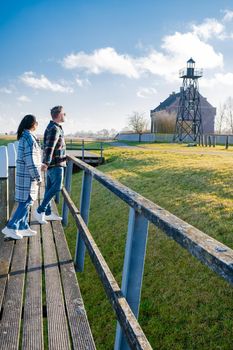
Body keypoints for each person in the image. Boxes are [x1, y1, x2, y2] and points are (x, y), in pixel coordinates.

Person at [2, 115, 42, 240]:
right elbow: (31, 161)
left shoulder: (26, 137)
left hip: (25, 175)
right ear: (33, 124)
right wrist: (38, 176)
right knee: (26, 202)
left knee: (27, 201)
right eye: (37, 123)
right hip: (28, 176)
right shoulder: (29, 138)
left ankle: (23, 227)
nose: (37, 125)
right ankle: (11, 227)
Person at [34, 105, 66, 224]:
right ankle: (40, 210)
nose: (65, 115)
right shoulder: (54, 128)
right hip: (56, 164)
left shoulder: (53, 127)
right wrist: (46, 163)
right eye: (64, 113)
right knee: (57, 187)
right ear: (59, 115)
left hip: (54, 163)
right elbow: (49, 147)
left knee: (49, 189)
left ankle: (47, 213)